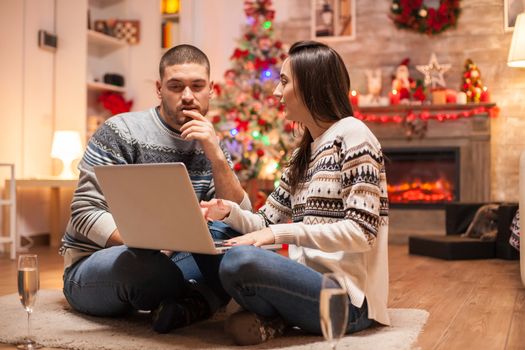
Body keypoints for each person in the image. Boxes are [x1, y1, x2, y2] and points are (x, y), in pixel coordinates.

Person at [200, 41, 390, 346]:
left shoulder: (354, 134)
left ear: (312, 85)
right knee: (219, 236)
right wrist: (226, 211)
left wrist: (283, 234)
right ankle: (281, 317)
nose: (276, 91)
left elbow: (361, 233)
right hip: (307, 285)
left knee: (241, 262)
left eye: (285, 81)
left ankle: (274, 317)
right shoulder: (304, 154)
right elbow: (265, 224)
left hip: (350, 302)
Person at [60, 44, 251, 333]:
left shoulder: (211, 142)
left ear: (211, 89)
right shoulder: (120, 131)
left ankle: (187, 302)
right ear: (160, 89)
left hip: (175, 259)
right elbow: (84, 212)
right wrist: (150, 245)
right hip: (104, 261)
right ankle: (203, 297)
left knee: (239, 249)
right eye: (176, 86)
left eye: (197, 86)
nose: (187, 96)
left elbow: (239, 217)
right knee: (147, 269)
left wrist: (217, 155)